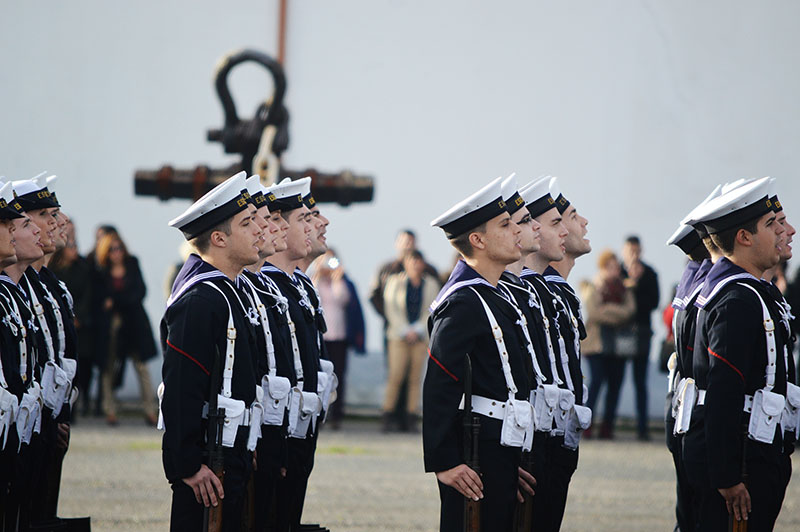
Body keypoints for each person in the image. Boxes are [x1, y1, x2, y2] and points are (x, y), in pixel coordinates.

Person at [683, 176, 795, 530]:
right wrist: (728, 476)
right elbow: (723, 389)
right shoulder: (737, 300)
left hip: (756, 449)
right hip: (744, 457)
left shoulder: (752, 293)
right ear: (744, 237)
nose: (785, 231)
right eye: (771, 224)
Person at [424, 175, 535, 532]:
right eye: (505, 225)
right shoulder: (463, 302)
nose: (516, 230)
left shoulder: (493, 295)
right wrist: (445, 461)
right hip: (474, 452)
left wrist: (507, 461)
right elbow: (440, 382)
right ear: (478, 240)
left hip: (497, 447)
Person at [160, 171, 263, 531]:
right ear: (218, 238)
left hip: (232, 452)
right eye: (247, 223)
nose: (259, 231)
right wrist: (187, 465)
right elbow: (181, 388)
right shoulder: (201, 300)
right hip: (208, 459)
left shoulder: (230, 292)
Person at [518, 176, 590, 532]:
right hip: (535, 439)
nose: (577, 225)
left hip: (558, 434)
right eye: (558, 220)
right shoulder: (525, 292)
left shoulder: (551, 292)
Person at [261, 177, 330, 532]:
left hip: (301, 425)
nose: (321, 223)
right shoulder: (265, 287)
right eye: (306, 217)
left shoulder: (298, 283)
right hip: (278, 431)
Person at [95, 232, 158, 426]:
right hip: (112, 326)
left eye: (119, 248)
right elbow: (101, 298)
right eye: (112, 249)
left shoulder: (132, 264)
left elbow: (140, 292)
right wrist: (118, 301)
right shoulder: (101, 271)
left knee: (142, 367)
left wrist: (115, 301)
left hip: (134, 324)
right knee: (109, 366)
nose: (117, 253)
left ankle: (150, 409)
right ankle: (110, 409)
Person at [381, 249, 438, 433]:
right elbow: (390, 308)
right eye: (412, 261)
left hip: (420, 337)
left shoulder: (430, 284)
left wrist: (418, 328)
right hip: (399, 336)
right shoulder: (395, 281)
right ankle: (388, 414)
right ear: (406, 263)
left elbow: (432, 308)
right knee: (396, 375)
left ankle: (411, 416)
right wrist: (405, 329)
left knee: (415, 378)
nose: (415, 265)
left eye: (418, 261)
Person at [581, 249, 635, 440]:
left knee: (615, 386)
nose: (615, 271)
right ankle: (586, 425)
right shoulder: (592, 287)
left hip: (618, 346)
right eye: (610, 267)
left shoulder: (624, 289)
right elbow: (594, 313)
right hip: (596, 345)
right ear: (602, 268)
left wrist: (608, 309)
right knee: (596, 383)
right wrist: (617, 314)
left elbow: (630, 311)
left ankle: (607, 428)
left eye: (616, 267)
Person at [311, 248, 365, 430]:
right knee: (318, 377)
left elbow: (343, 299)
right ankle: (317, 413)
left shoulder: (343, 282)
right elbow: (312, 297)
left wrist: (337, 278)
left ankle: (336, 415)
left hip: (339, 336)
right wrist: (318, 273)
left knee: (338, 376)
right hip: (320, 337)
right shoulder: (314, 280)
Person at [49, 220, 95, 419]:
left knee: (82, 365)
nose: (73, 249)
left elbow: (88, 295)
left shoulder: (83, 268)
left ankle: (79, 403)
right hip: (62, 323)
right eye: (70, 246)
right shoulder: (54, 270)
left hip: (80, 325)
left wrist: (78, 317)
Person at [621, 235, 660, 440]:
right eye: (630, 251)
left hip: (642, 332)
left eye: (636, 251)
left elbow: (654, 302)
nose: (633, 255)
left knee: (640, 381)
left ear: (641, 250)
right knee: (615, 380)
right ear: (624, 251)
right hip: (620, 332)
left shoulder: (649, 273)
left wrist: (637, 285)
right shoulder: (618, 271)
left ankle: (642, 429)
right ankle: (606, 426)